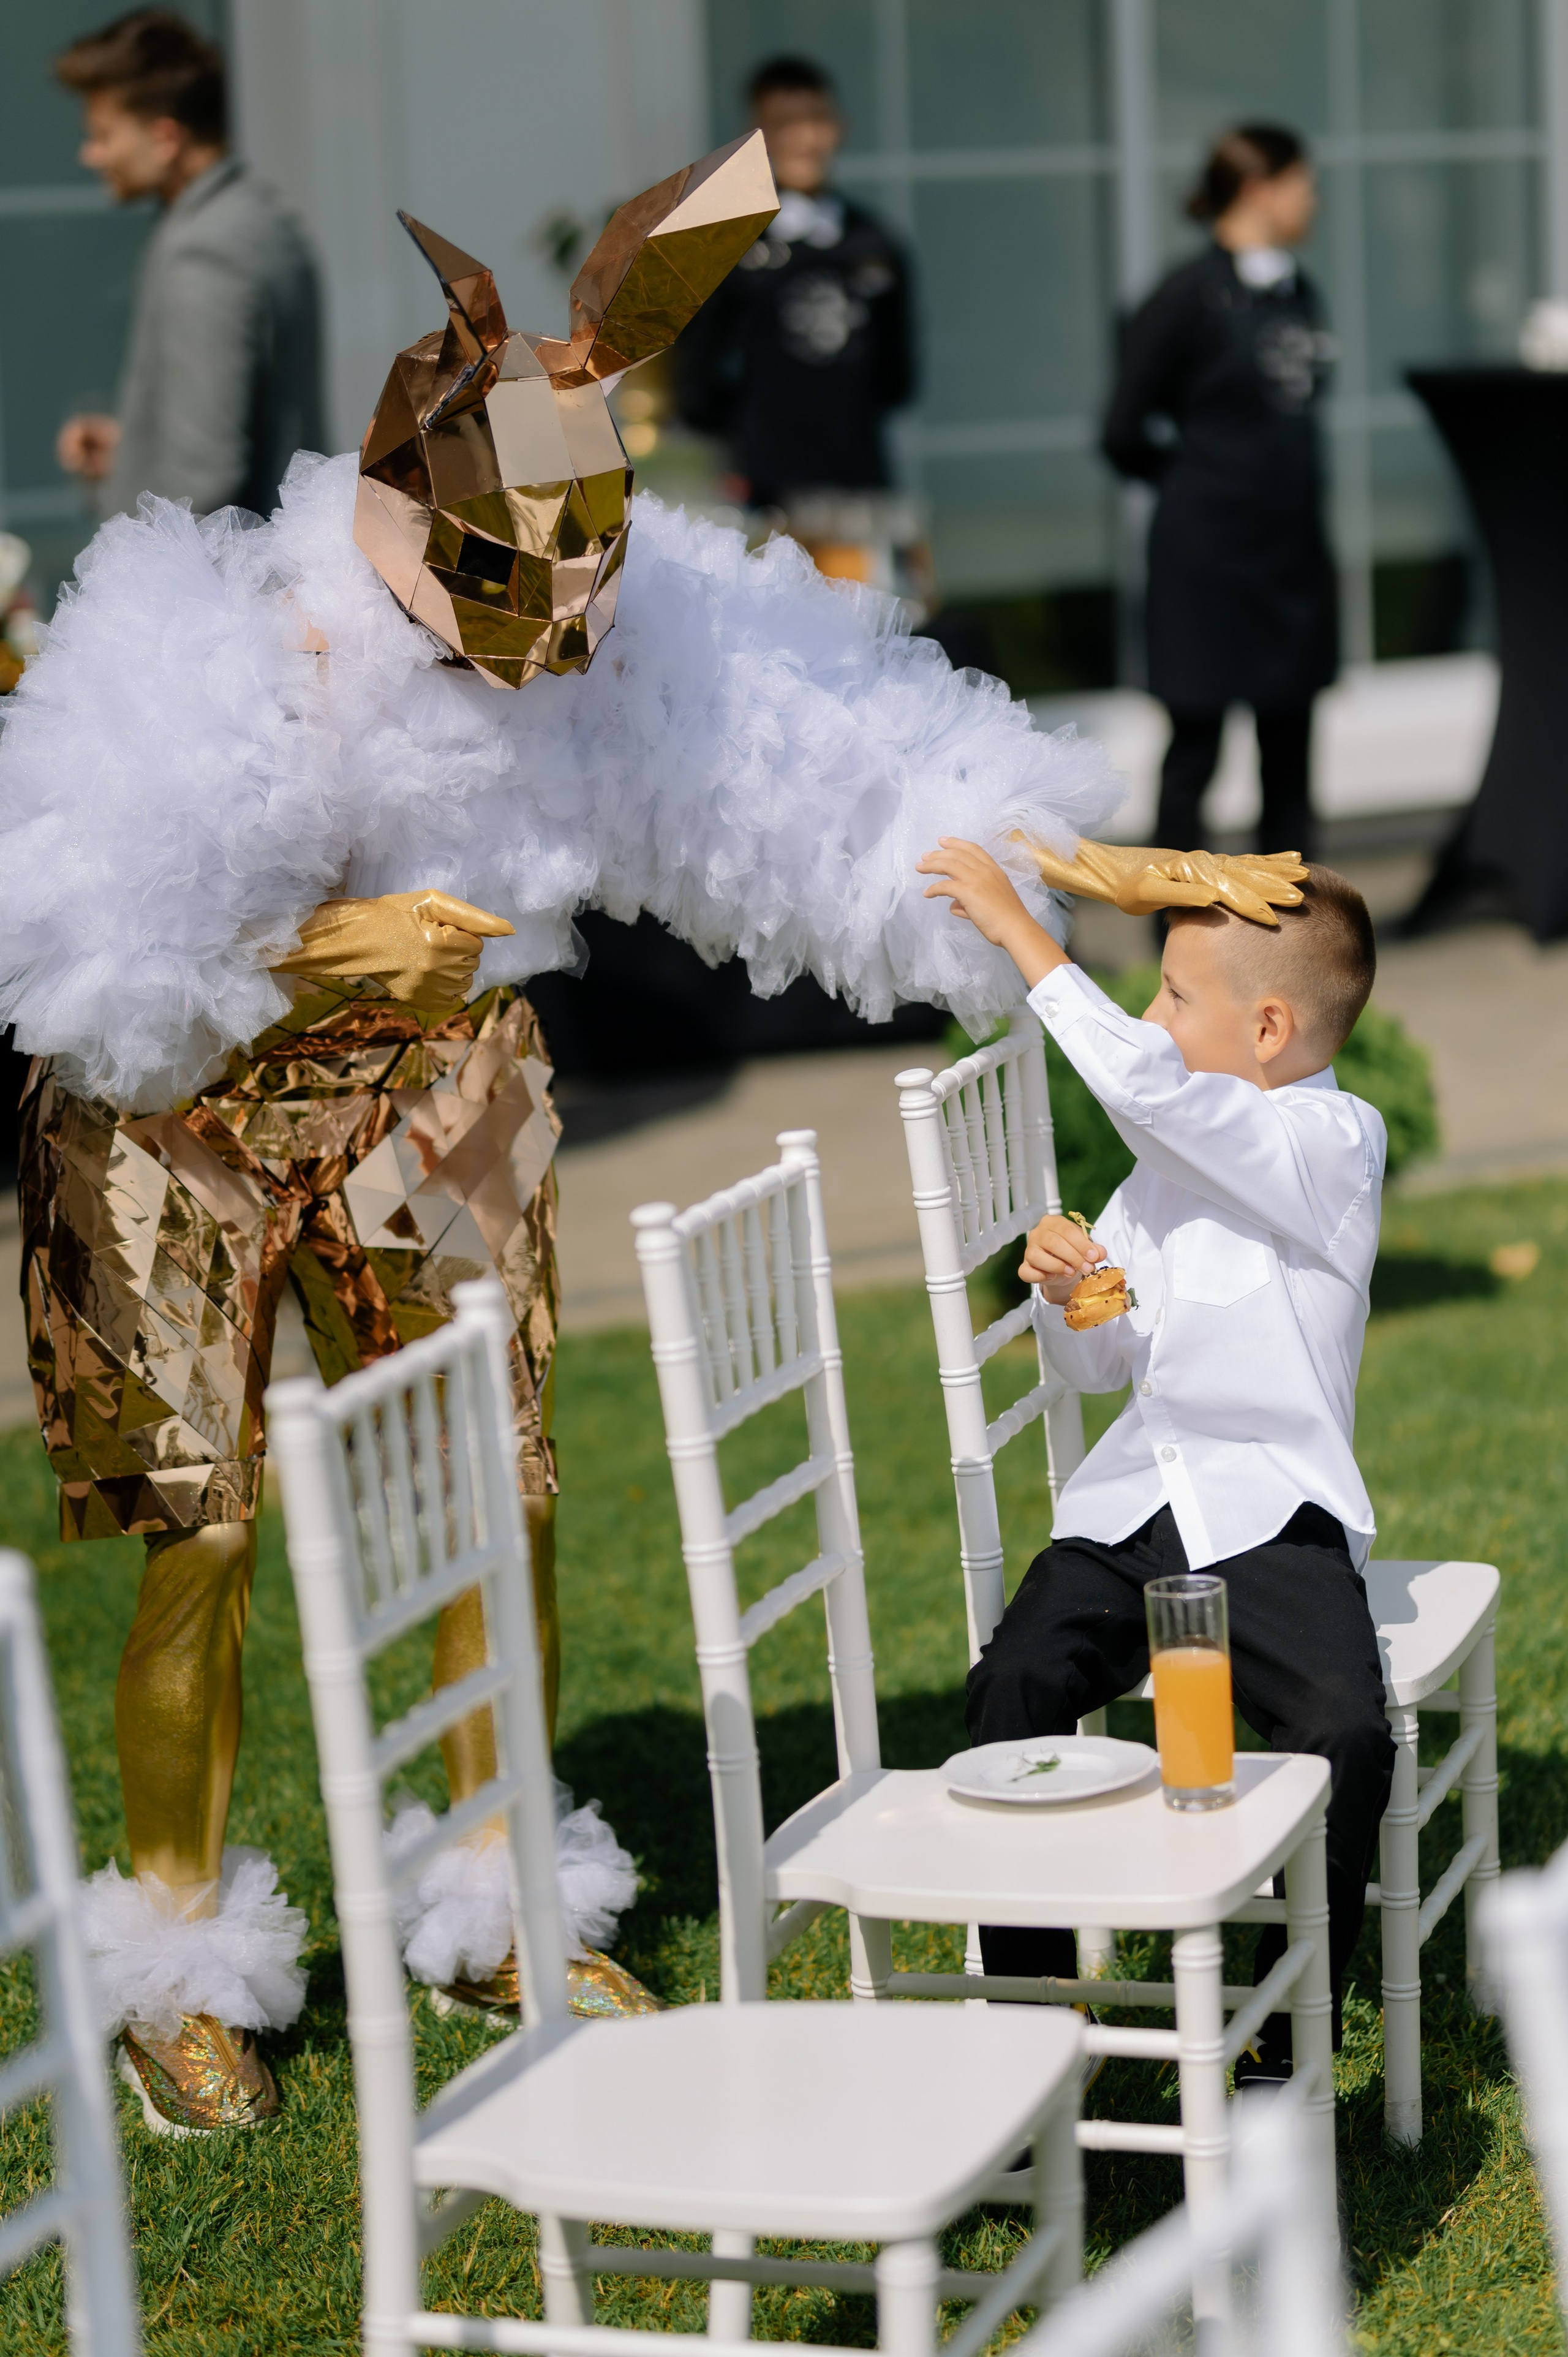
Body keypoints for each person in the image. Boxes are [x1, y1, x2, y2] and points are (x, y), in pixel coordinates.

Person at [2, 135, 1118, 2133]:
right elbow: (99, 950)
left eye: (595, 570)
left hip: (438, 1078)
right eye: (527, 578)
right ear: (409, 510)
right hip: (171, 1118)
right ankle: (174, 1948)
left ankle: (496, 1872)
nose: (575, 628)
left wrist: (1067, 859)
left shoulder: (589, 623)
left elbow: (808, 771)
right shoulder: (225, 639)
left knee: (487, 1504)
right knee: (210, 1533)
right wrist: (341, 936)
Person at [914, 832, 1393, 2086]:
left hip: (1269, 1511)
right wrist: (1078, 1297)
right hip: (1139, 1502)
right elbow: (1103, 1369)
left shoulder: (1331, 1143)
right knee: (1011, 1683)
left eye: (1174, 995)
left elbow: (1156, 1093)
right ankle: (1030, 2014)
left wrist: (1029, 935)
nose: (1150, 1014)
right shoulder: (1157, 1174)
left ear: (1270, 1028)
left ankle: (1282, 2037)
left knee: (1344, 1724)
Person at [1102, 125, 1337, 863]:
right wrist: (1202, 483)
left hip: (1290, 556)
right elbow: (1121, 429)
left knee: (1291, 754)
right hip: (1206, 559)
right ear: (1261, 189)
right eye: (1306, 183)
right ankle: (1174, 936)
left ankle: (1294, 940)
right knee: (1196, 749)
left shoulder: (1299, 289)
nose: (1315, 199)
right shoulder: (1186, 296)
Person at [54, 10, 323, 521]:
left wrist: (133, 588)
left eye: (104, 135)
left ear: (165, 138)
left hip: (219, 592)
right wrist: (133, 453)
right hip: (283, 566)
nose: (91, 155)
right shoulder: (264, 218)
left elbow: (204, 479)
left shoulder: (204, 249)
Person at [674, 55, 915, 513]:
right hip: (761, 487)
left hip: (857, 479)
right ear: (757, 134)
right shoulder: (727, 245)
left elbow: (898, 378)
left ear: (839, 126)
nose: (804, 139)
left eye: (816, 120)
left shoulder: (876, 242)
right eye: (785, 123)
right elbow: (697, 384)